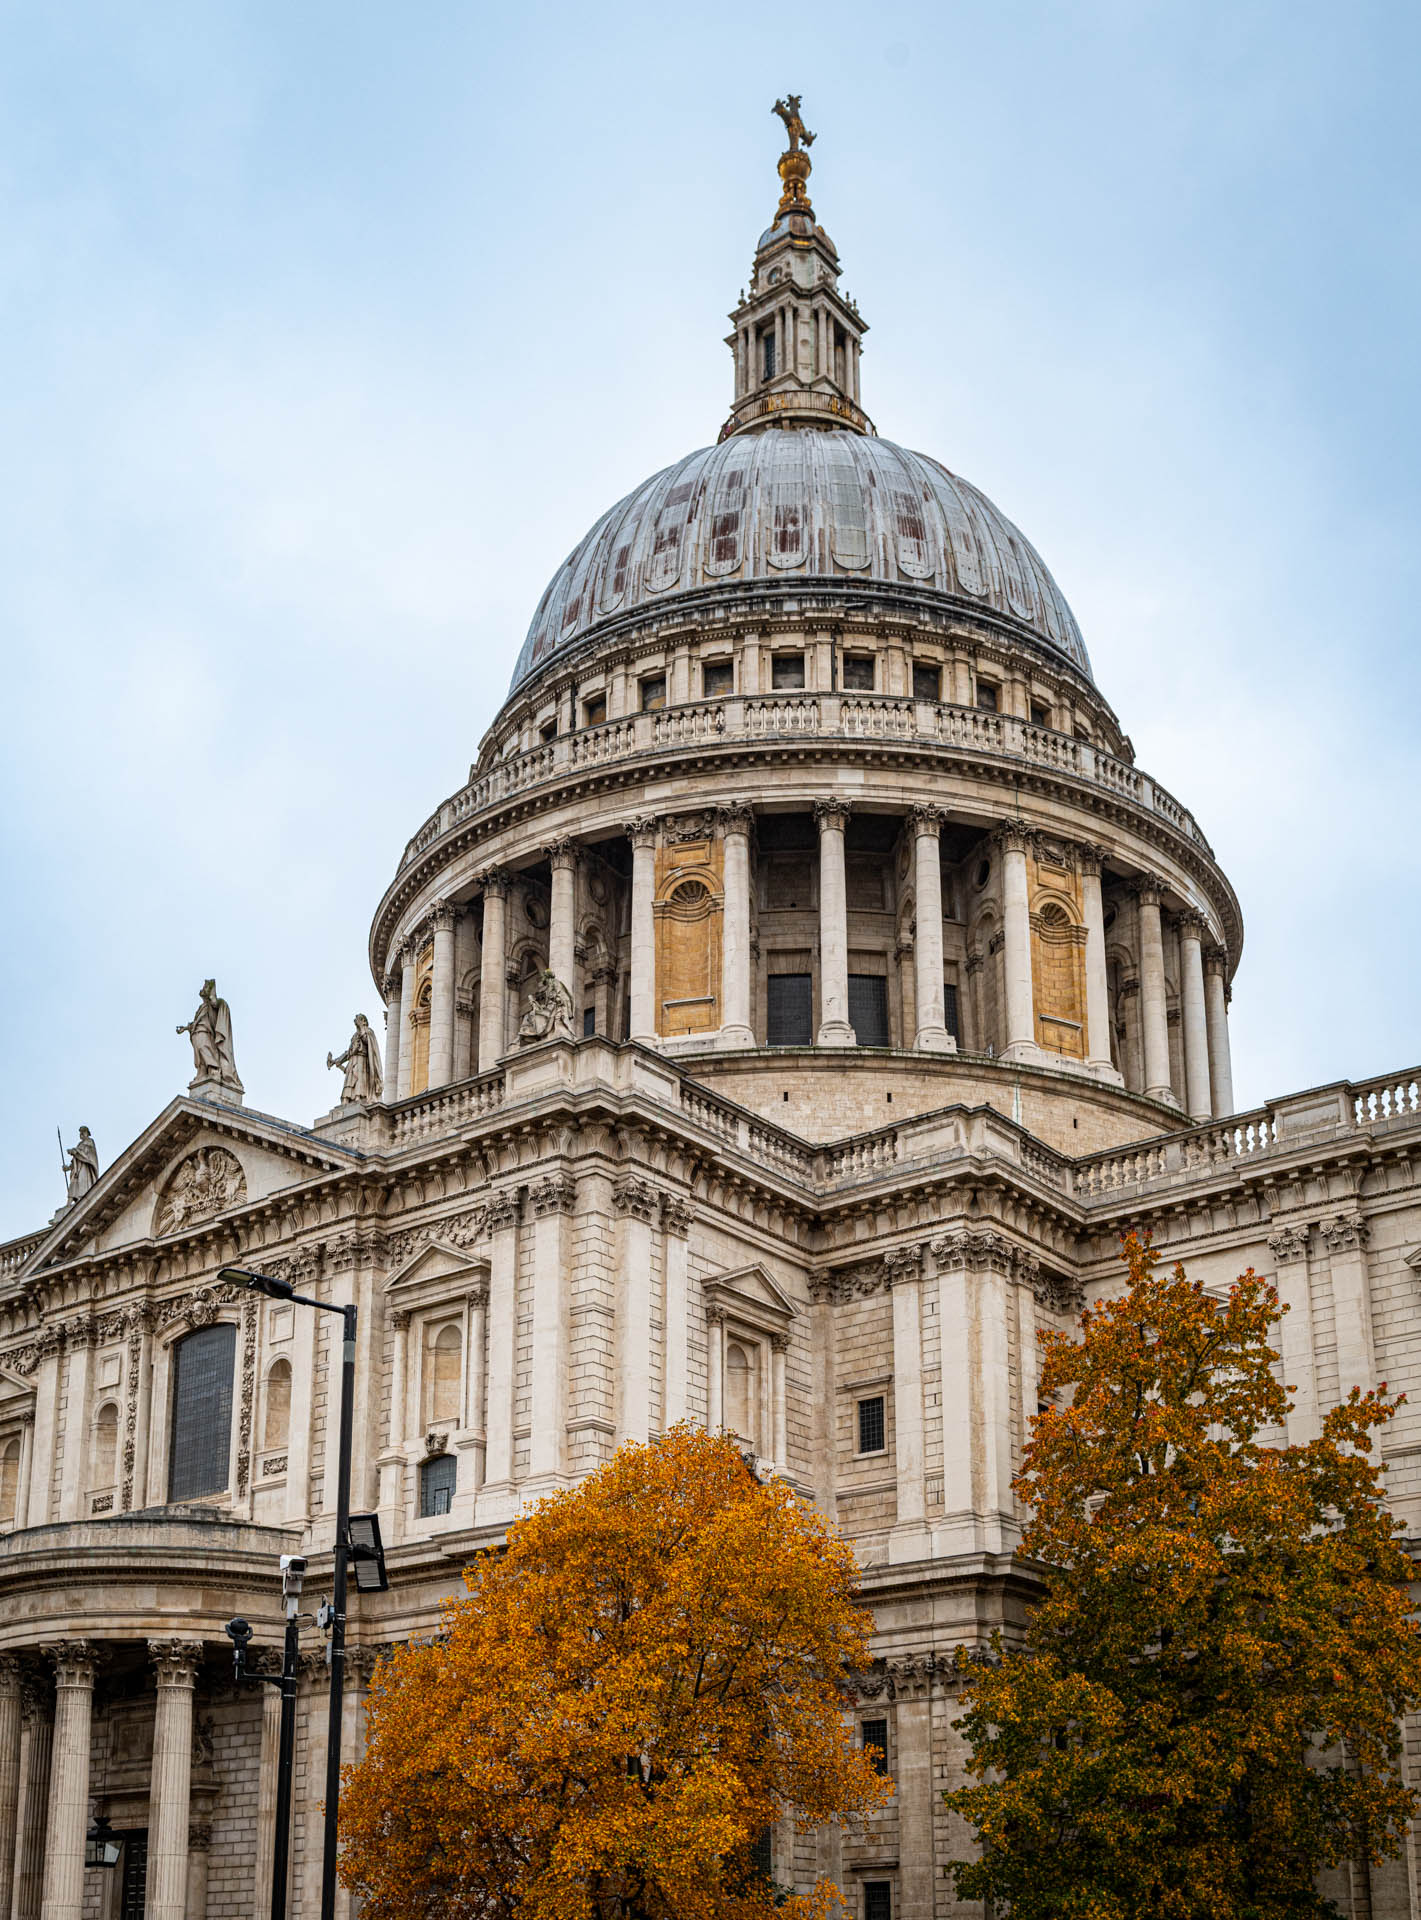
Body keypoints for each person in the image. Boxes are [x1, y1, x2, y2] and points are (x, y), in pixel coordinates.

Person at [177, 979, 241, 1086]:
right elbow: (196, 1022)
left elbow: (216, 1004)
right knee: (200, 1054)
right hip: (196, 1033)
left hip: (206, 1032)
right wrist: (185, 1028)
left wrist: (212, 994)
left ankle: (214, 1069)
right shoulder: (201, 1007)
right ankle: (202, 1073)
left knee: (204, 1048)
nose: (202, 989)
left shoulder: (214, 1004)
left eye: (205, 987)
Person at [328, 1012, 384, 1104]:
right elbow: (349, 1052)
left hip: (362, 1060)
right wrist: (336, 1060)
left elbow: (367, 1041)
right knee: (349, 1080)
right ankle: (346, 1099)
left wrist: (362, 1027)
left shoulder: (368, 1031)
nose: (356, 1022)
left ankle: (359, 1097)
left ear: (363, 1021)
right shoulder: (355, 1035)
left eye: (358, 1020)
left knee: (359, 1079)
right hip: (353, 1060)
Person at [63, 1126, 100, 1204]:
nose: (81, 1134)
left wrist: (75, 1151)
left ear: (87, 1133)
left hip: (85, 1168)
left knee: (82, 1185)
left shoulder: (90, 1141)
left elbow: (88, 1154)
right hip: (77, 1170)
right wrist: (68, 1168)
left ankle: (82, 1201)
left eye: (83, 1132)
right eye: (81, 1132)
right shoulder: (79, 1144)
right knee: (74, 1184)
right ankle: (70, 1203)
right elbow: (75, 1160)